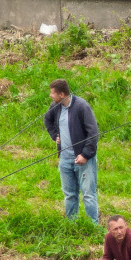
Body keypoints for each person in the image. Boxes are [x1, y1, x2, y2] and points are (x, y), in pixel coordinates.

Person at [43, 78, 99, 224]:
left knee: (88, 195)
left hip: (83, 159)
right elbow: (47, 120)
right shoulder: (55, 106)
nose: (50, 96)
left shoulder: (82, 106)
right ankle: (71, 224)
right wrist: (55, 135)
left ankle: (93, 226)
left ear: (61, 94)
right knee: (69, 195)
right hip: (65, 159)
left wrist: (85, 155)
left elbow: (93, 133)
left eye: (52, 93)